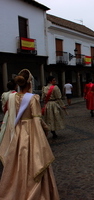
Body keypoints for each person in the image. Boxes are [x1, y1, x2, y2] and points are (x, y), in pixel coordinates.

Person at [0, 69, 59, 199]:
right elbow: (37, 119)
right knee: (35, 160)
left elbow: (10, 116)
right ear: (30, 82)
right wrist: (45, 129)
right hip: (31, 131)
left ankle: (16, 189)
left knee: (17, 162)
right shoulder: (33, 98)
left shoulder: (12, 97)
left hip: (18, 132)